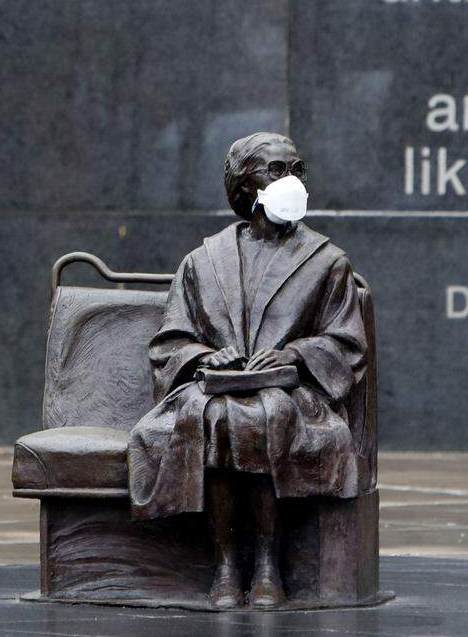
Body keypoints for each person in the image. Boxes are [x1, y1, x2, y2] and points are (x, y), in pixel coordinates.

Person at [127, 132, 366, 608]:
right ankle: (224, 565)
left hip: (292, 393)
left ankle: (265, 564)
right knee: (212, 415)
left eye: (297, 170)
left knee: (264, 414)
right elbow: (170, 340)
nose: (291, 180)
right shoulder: (202, 260)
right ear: (244, 183)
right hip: (215, 388)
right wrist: (202, 355)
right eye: (276, 170)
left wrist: (296, 354)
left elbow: (346, 341)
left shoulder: (327, 261)